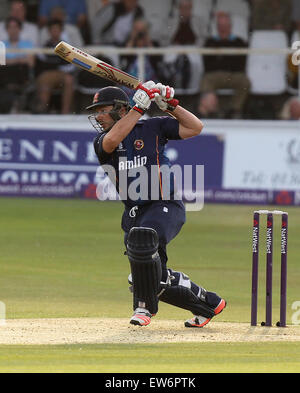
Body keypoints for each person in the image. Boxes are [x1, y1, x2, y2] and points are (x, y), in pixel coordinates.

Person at [88, 81, 226, 327]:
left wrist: (170, 106)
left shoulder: (152, 127)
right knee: (150, 277)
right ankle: (210, 304)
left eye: (102, 110)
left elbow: (195, 127)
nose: (98, 116)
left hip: (165, 204)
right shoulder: (103, 141)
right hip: (134, 212)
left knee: (144, 240)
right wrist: (139, 108)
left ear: (120, 109)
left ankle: (144, 309)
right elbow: (112, 141)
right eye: (96, 111)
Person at [201, 12, 250, 119]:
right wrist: (226, 61)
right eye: (220, 26)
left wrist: (221, 60)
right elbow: (207, 65)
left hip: (233, 75)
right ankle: (212, 111)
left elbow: (241, 64)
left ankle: (234, 110)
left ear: (230, 26)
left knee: (245, 82)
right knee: (206, 80)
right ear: (217, 27)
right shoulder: (210, 42)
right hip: (215, 75)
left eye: (225, 26)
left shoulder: (239, 42)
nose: (223, 29)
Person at [35, 19, 75, 114]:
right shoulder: (44, 47)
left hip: (62, 74)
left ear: (61, 31)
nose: (55, 32)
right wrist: (57, 63)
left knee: (69, 80)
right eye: (52, 30)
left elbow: (71, 66)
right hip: (47, 74)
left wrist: (56, 65)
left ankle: (65, 112)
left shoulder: (67, 47)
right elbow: (42, 64)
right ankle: (43, 111)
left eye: (57, 30)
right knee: (45, 79)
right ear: (49, 32)